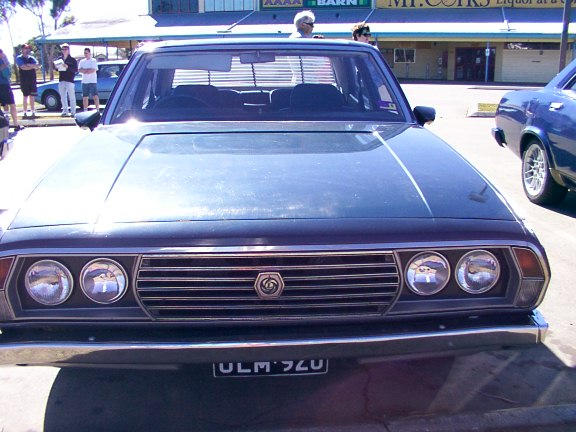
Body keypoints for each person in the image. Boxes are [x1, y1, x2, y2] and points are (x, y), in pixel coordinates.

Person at [0, 48, 23, 131]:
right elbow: (7, 75)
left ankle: (6, 124)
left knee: (4, 105)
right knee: (12, 105)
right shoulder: (3, 62)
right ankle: (16, 125)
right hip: (4, 85)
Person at [16, 43, 40, 119]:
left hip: (32, 79)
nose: (27, 50)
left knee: (32, 96)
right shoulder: (19, 58)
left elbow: (37, 65)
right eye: (25, 48)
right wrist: (31, 66)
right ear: (22, 49)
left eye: (28, 48)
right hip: (24, 80)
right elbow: (22, 67)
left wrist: (29, 65)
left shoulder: (32, 58)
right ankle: (25, 112)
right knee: (25, 96)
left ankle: (33, 112)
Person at [55, 43, 78, 117]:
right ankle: (65, 110)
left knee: (71, 97)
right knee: (62, 96)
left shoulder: (72, 60)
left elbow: (75, 69)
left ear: (68, 50)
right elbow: (56, 68)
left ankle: (73, 112)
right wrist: (56, 66)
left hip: (70, 80)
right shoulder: (59, 59)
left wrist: (67, 67)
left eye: (66, 49)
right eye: (63, 49)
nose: (64, 51)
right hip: (61, 79)